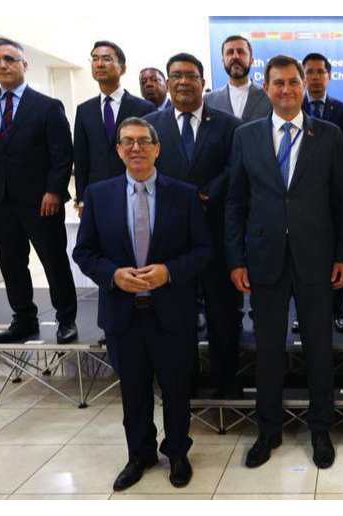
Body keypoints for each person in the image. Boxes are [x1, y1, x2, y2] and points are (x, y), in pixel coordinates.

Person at [225, 55, 343, 470]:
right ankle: (269, 430)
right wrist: (236, 259)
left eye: (293, 82)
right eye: (277, 83)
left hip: (316, 259)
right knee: (268, 351)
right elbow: (236, 202)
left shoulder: (328, 134)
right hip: (264, 260)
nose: (285, 90)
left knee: (318, 348)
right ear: (266, 88)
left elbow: (342, 201)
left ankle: (321, 429)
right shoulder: (246, 136)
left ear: (303, 86)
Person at [73, 117, 211, 490]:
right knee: (133, 392)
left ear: (157, 148)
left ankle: (178, 452)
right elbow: (84, 252)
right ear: (119, 150)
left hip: (172, 312)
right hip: (123, 314)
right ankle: (140, 454)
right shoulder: (98, 195)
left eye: (143, 141)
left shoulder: (184, 194)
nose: (136, 148)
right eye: (128, 142)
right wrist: (113, 275)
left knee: (177, 390)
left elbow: (203, 250)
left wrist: (169, 271)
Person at [0, 37, 78, 344]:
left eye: (10, 59)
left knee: (54, 262)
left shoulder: (47, 107)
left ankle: (66, 319)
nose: (3, 64)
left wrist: (54, 191)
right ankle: (24, 319)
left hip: (42, 202)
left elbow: (62, 155)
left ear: (24, 64)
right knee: (12, 264)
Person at [144, 53, 242, 396]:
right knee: (176, 315)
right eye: (176, 76)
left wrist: (211, 191)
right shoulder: (149, 126)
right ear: (168, 82)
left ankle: (226, 383)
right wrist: (182, 196)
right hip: (169, 237)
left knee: (223, 313)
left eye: (191, 75)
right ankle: (181, 385)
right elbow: (143, 173)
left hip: (217, 233)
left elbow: (236, 169)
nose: (183, 81)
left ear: (203, 82)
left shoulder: (229, 125)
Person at [292, 52, 343, 334]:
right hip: (301, 198)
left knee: (337, 257)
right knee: (300, 260)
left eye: (320, 72)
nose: (314, 77)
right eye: (309, 72)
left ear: (329, 76)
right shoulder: (292, 108)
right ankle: (301, 314)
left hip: (332, 194)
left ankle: (338, 311)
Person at [74, 41, 155, 213]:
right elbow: (81, 158)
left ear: (122, 68)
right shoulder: (84, 110)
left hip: (137, 191)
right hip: (97, 194)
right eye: (95, 59)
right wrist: (81, 198)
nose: (99, 64)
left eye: (106, 59)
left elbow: (152, 153)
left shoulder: (144, 108)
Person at [204, 35, 271, 122]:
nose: (235, 56)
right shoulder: (209, 100)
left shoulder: (268, 96)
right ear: (223, 61)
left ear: (251, 60)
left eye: (241, 52)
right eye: (230, 52)